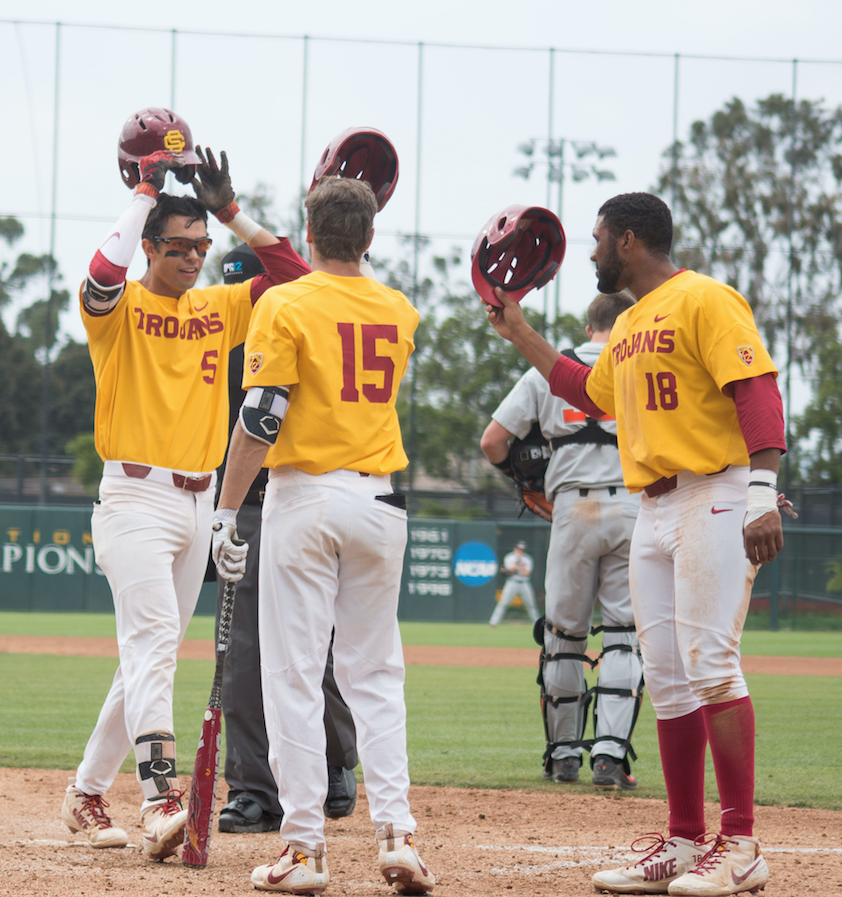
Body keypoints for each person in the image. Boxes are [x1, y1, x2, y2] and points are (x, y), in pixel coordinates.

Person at [483, 192, 786, 897]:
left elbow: (758, 388)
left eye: (595, 239)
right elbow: (589, 392)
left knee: (712, 663)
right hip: (651, 505)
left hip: (715, 489)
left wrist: (763, 490)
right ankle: (683, 840)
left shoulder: (705, 299)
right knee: (670, 675)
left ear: (626, 239)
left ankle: (740, 842)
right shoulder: (632, 321)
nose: (589, 251)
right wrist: (519, 330)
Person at [61, 138, 308, 862]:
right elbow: (101, 273)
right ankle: (162, 798)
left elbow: (293, 278)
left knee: (151, 651)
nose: (194, 257)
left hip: (199, 504)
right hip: (133, 496)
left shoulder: (219, 308)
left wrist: (230, 209)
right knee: (152, 646)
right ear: (149, 246)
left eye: (201, 245)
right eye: (178, 246)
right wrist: (142, 191)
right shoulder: (118, 310)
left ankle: (84, 791)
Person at [213, 177, 435, 895]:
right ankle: (398, 834)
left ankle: (305, 848)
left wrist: (225, 509)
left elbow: (264, 415)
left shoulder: (285, 302)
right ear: (369, 236)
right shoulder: (399, 309)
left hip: (305, 496)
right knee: (376, 674)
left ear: (309, 233)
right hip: (381, 501)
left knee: (292, 675)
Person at [214, 244, 358, 834]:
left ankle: (333, 759)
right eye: (240, 288)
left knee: (318, 645)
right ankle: (255, 789)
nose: (249, 298)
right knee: (244, 654)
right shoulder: (215, 342)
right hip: (242, 504)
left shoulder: (304, 327)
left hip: (306, 495)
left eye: (256, 287)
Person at [481, 291, 644, 792]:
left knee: (564, 637)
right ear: (626, 322)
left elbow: (493, 441)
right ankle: (610, 759)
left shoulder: (547, 370)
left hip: (571, 508)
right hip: (633, 505)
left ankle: (565, 755)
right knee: (623, 634)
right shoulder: (640, 367)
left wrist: (525, 482)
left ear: (589, 323)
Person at [489, 541, 539, 626]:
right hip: (512, 582)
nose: (520, 551)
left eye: (522, 550)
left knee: (531, 604)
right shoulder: (509, 557)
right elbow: (509, 571)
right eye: (519, 549)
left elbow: (527, 572)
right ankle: (493, 623)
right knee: (503, 603)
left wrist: (516, 570)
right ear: (515, 549)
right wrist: (517, 563)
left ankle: (537, 624)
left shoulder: (527, 559)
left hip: (524, 582)